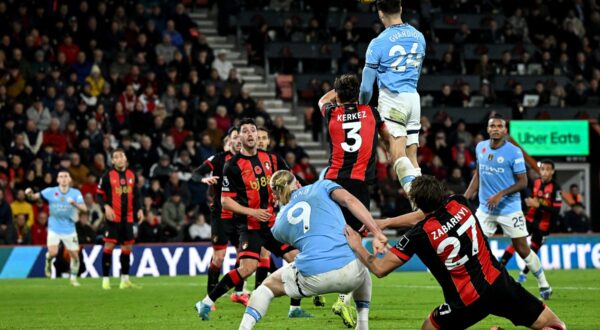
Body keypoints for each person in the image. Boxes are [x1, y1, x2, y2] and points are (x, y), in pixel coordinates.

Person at [346, 176, 566, 330]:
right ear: (442, 194)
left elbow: (380, 268)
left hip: (465, 303)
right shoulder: (459, 203)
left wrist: (357, 245)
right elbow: (426, 214)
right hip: (500, 285)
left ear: (417, 203)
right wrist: (386, 222)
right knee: (555, 325)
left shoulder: (419, 235)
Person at [238, 170, 388, 330]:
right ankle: (362, 325)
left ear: (275, 194)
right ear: (296, 182)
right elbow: (349, 200)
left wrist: (282, 205)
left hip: (313, 276)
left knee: (265, 288)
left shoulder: (279, 225)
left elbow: (295, 237)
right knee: (361, 264)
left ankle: (244, 328)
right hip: (350, 272)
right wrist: (377, 232)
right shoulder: (322, 186)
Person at [195, 118, 310, 320]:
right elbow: (226, 202)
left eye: (253, 130)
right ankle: (206, 302)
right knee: (247, 268)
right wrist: (252, 212)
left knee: (297, 259)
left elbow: (291, 180)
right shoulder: (232, 165)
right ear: (239, 137)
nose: (250, 134)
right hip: (250, 226)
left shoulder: (272, 159)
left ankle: (294, 309)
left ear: (258, 135)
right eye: (245, 131)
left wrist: (293, 192)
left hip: (273, 225)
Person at [318, 73, 390, 320]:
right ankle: (342, 299)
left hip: (332, 183)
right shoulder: (371, 112)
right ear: (358, 94)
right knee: (356, 243)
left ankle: (318, 281)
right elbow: (388, 139)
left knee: (334, 236)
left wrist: (335, 93)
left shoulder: (331, 113)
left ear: (337, 96)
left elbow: (322, 100)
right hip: (358, 186)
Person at [465, 115, 552, 299]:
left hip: (509, 209)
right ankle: (475, 286)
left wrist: (500, 194)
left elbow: (523, 182)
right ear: (488, 129)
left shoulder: (514, 152)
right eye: (492, 126)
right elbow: (478, 175)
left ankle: (543, 283)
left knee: (521, 248)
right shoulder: (480, 147)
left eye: (500, 126)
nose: (496, 129)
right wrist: (465, 196)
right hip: (485, 209)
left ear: (505, 131)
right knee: (472, 246)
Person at [359, 0, 426, 195]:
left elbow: (365, 88)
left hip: (393, 98)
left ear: (380, 14)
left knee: (396, 155)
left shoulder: (378, 43)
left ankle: (418, 201)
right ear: (401, 9)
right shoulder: (419, 37)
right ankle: (426, 205)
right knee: (412, 156)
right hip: (413, 97)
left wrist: (363, 107)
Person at [194, 127, 248, 305]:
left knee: (243, 255)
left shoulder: (247, 161)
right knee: (219, 257)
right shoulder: (218, 159)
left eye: (240, 137)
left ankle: (239, 292)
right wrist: (203, 179)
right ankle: (210, 295)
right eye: (234, 137)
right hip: (221, 215)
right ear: (229, 141)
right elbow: (196, 173)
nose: (238, 140)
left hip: (240, 215)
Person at [500, 159, 562, 283]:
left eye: (548, 169)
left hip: (544, 226)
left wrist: (539, 206)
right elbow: (528, 198)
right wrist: (527, 203)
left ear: (552, 171)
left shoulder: (556, 188)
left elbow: (556, 210)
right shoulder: (536, 182)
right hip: (529, 219)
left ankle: (523, 273)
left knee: (533, 250)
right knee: (516, 242)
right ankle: (499, 267)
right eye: (542, 169)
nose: (544, 172)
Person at [25, 171, 87, 287]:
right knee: (53, 253)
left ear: (69, 180)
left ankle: (73, 279)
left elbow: (84, 209)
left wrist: (75, 204)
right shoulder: (50, 191)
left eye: (66, 176)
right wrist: (29, 193)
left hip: (70, 229)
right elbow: (33, 197)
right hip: (54, 228)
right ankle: (48, 262)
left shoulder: (75, 193)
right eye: (61, 177)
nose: (63, 178)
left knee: (75, 256)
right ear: (57, 180)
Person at [96, 149, 144, 290]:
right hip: (113, 218)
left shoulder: (131, 174)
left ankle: (124, 280)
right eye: (116, 157)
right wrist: (105, 206)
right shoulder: (107, 176)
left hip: (128, 218)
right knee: (109, 247)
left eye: (122, 156)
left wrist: (139, 209)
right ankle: (105, 280)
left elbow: (136, 195)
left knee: (127, 248)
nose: (120, 159)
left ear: (125, 158)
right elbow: (98, 195)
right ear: (113, 161)